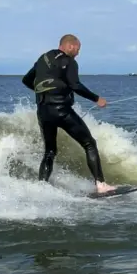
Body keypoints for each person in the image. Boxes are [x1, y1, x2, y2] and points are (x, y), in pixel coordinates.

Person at [22, 34, 115, 194]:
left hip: (43, 111)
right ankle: (101, 185)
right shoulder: (69, 61)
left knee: (50, 151)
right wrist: (96, 99)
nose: (78, 53)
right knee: (89, 144)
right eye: (78, 49)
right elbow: (75, 85)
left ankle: (40, 188)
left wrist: (44, 90)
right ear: (70, 46)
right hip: (62, 110)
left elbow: (26, 80)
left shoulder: (43, 59)